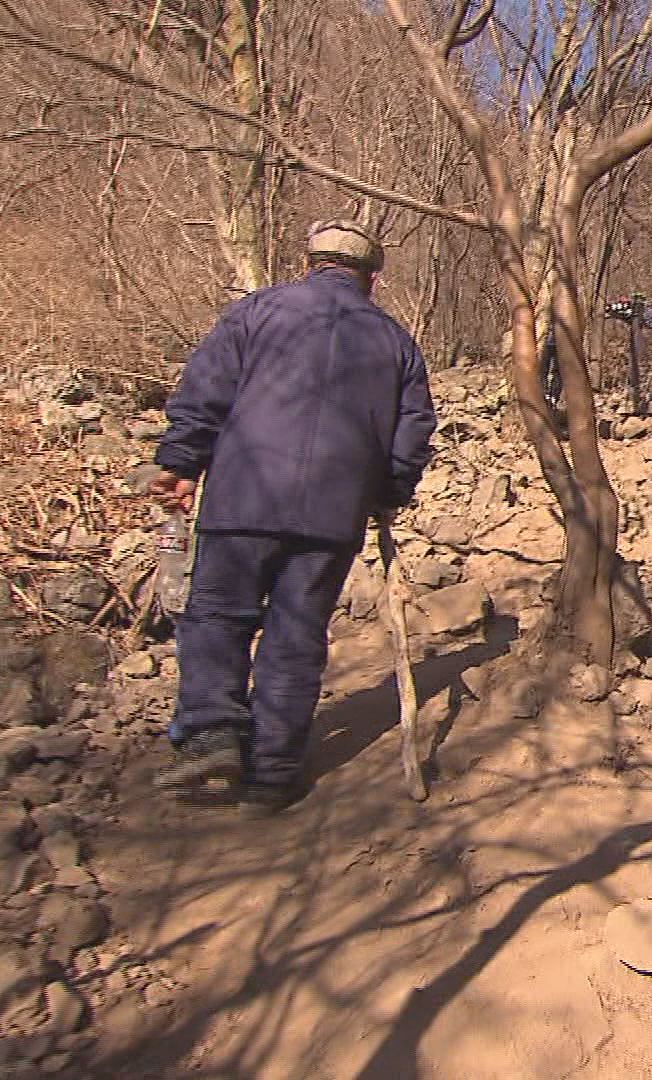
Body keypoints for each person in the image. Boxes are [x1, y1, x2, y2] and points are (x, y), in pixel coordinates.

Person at [148, 218, 437, 816]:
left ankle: (212, 734)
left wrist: (181, 461)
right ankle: (273, 772)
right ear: (372, 280)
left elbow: (206, 391)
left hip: (242, 498)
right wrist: (388, 491)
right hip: (333, 515)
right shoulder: (396, 342)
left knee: (216, 617)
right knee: (296, 633)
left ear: (308, 263)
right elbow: (413, 431)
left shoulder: (255, 313)